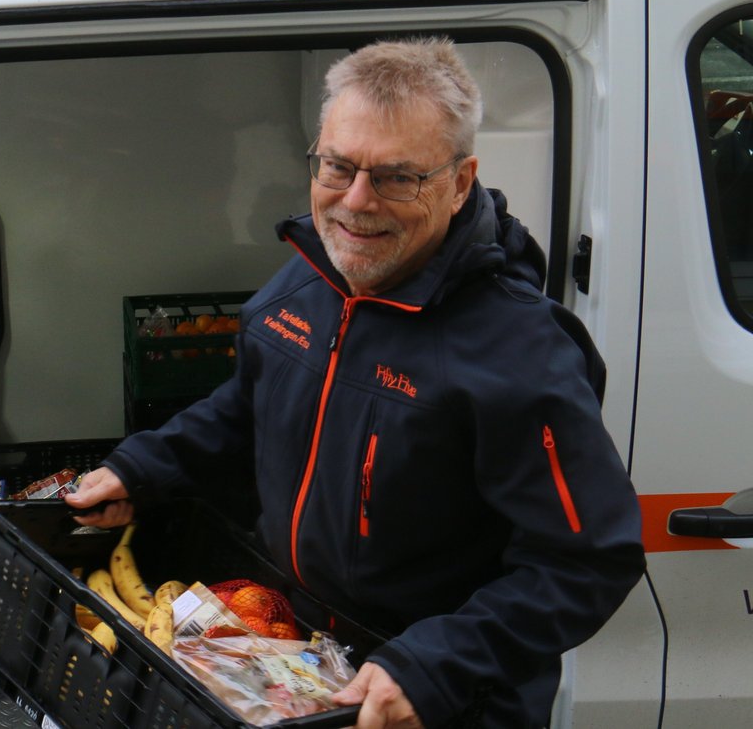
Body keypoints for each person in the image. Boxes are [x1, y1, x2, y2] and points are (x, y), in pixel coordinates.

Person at [66, 38, 645, 729]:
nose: (355, 202)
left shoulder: (519, 352)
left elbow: (587, 562)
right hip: (299, 658)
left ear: (461, 182)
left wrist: (439, 661)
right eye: (338, 167)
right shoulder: (308, 279)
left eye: (398, 177)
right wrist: (145, 466)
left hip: (436, 699)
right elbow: (252, 405)